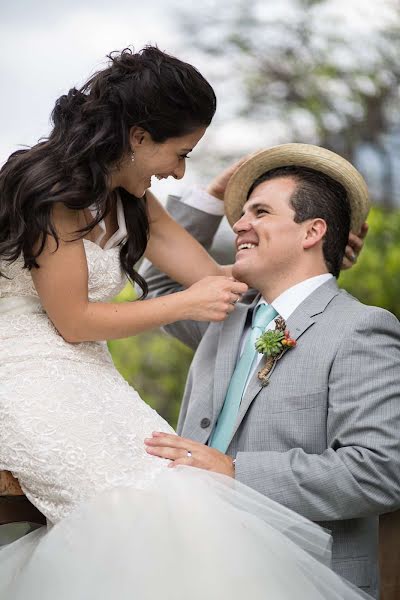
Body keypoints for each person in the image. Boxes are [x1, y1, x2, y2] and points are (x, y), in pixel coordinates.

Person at [0, 43, 370, 599]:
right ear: (139, 137)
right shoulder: (48, 190)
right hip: (24, 372)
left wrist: (309, 252)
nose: (179, 172)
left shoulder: (132, 198)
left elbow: (210, 279)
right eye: (180, 153)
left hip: (90, 376)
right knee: (126, 511)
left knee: (175, 487)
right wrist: (182, 305)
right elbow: (73, 320)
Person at [142, 143, 400, 599]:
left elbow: (381, 470)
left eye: (260, 212)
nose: (239, 223)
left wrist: (234, 472)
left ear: (311, 232)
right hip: (191, 565)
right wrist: (212, 196)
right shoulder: (220, 315)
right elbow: (157, 285)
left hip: (300, 580)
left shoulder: (361, 329)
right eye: (239, 213)